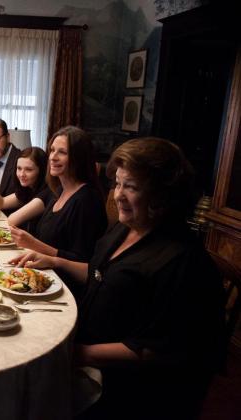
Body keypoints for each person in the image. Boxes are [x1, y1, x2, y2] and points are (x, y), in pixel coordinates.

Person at [18, 138, 224, 419]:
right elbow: (101, 274)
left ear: (163, 195)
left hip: (126, 388)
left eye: (131, 187)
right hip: (87, 345)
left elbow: (161, 350)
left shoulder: (183, 262)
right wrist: (56, 261)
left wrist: (79, 353)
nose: (118, 196)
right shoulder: (126, 228)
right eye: (117, 184)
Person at [10, 126, 107, 299]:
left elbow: (84, 263)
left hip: (65, 291)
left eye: (62, 152)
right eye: (52, 150)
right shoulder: (59, 190)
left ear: (78, 158)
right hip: (45, 279)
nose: (53, 157)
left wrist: (34, 244)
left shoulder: (87, 200)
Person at [0, 146, 52, 231]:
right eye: (19, 168)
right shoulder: (28, 189)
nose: (21, 174)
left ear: (42, 171)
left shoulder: (45, 193)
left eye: (28, 170)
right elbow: (1, 203)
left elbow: (11, 220)